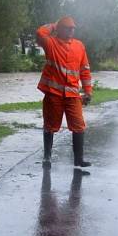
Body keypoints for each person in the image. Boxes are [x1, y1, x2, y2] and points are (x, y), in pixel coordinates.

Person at [36, 17, 93, 168]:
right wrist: (55, 25)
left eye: (73, 28)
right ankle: (47, 157)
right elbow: (40, 32)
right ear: (60, 29)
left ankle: (78, 159)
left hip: (73, 95)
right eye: (67, 28)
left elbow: (85, 70)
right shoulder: (51, 43)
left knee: (79, 126)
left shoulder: (79, 46)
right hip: (53, 94)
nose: (71, 31)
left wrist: (88, 91)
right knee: (50, 125)